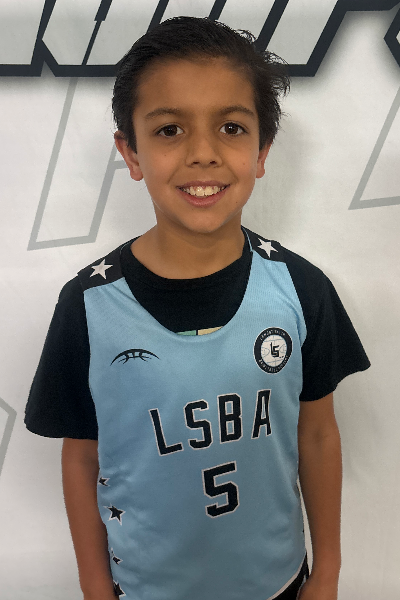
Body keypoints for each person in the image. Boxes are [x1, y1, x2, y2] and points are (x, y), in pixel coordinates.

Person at [24, 16, 370, 600]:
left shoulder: (301, 289)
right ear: (131, 152)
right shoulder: (88, 305)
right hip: (146, 588)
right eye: (169, 130)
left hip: (278, 582)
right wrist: (94, 586)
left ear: (261, 151)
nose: (203, 154)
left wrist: (329, 571)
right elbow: (81, 458)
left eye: (231, 127)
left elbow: (316, 434)